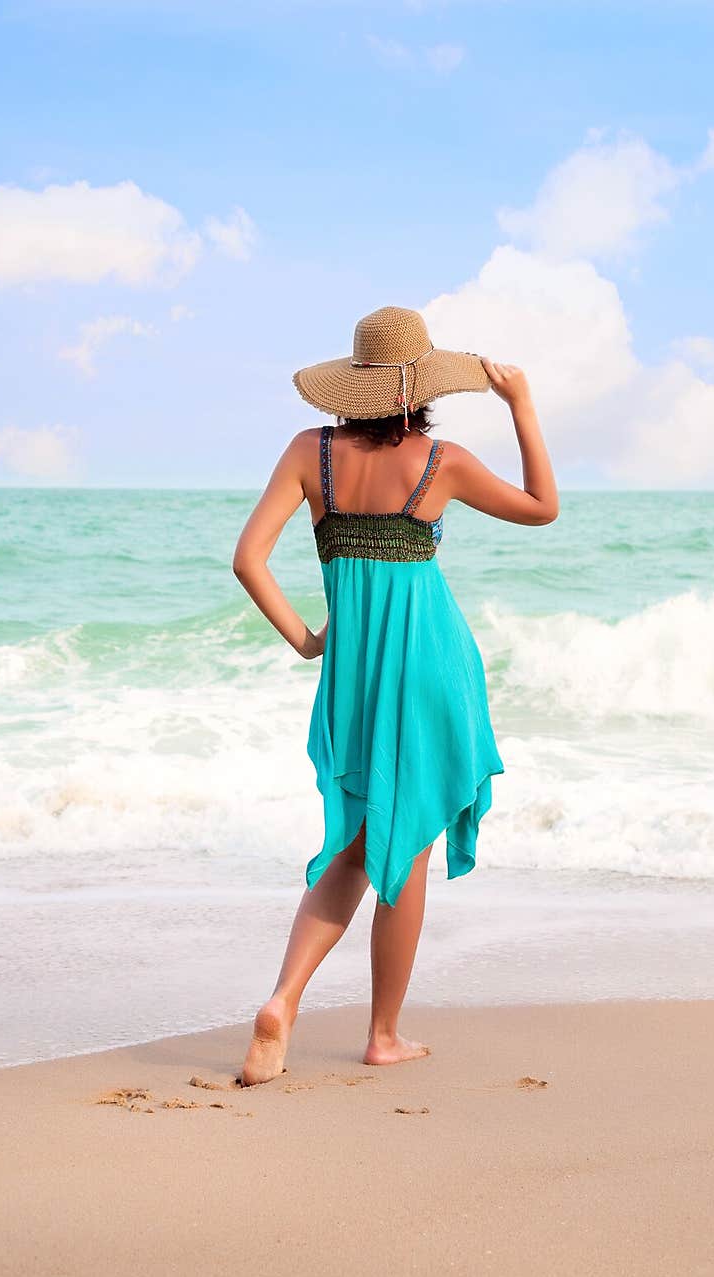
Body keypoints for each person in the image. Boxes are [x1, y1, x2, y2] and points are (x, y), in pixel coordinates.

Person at [232, 306, 557, 1084]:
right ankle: (382, 1033)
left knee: (350, 843)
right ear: (421, 392)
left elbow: (248, 559)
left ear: (353, 387)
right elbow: (543, 508)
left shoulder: (309, 453)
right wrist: (521, 407)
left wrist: (309, 639)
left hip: (355, 672)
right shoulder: (442, 462)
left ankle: (284, 996)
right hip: (433, 668)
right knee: (407, 845)